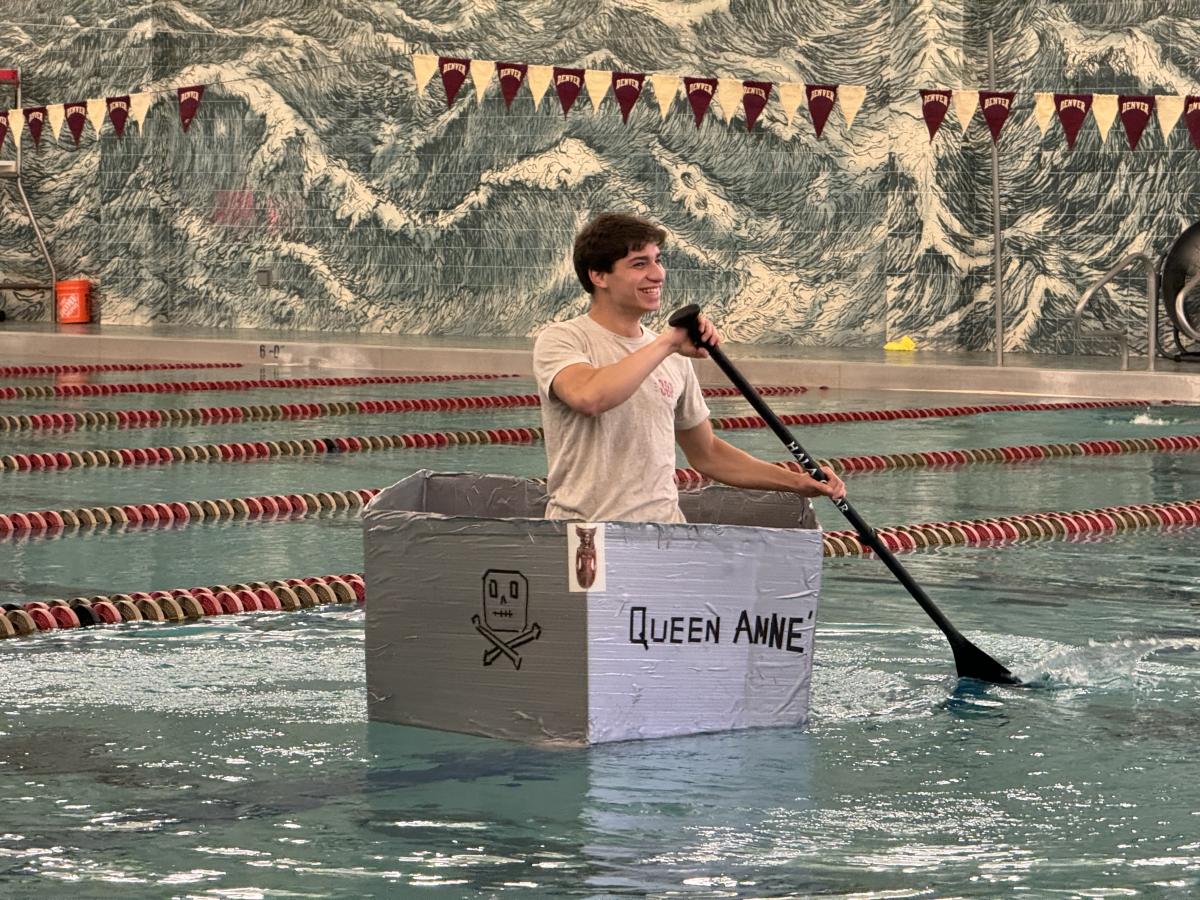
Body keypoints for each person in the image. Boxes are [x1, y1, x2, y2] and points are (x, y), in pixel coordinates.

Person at [532, 212, 846, 523]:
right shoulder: (564, 339)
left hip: (664, 535)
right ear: (598, 276)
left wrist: (796, 482)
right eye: (639, 264)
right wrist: (667, 343)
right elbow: (590, 397)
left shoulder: (670, 354)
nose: (657, 274)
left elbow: (707, 454)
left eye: (658, 260)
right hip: (583, 539)